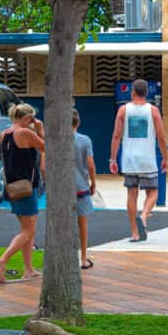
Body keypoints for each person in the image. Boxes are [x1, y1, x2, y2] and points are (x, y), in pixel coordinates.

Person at [0, 103, 44, 282]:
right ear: (27, 118)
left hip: (13, 187)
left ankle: (29, 269)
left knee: (28, 229)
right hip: (26, 186)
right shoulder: (25, 133)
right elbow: (46, 147)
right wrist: (40, 129)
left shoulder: (3, 134)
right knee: (28, 231)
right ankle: (2, 260)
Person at [110, 79, 167, 242]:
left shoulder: (123, 110)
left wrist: (113, 159)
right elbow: (162, 137)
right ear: (146, 93)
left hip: (129, 159)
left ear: (132, 92)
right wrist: (165, 157)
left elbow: (116, 136)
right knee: (153, 191)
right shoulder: (153, 111)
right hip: (147, 159)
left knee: (131, 194)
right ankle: (143, 216)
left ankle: (135, 233)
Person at [72, 108, 97, 269]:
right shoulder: (84, 140)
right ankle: (83, 258)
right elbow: (90, 165)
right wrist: (93, 182)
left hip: (62, 188)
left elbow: (45, 167)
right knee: (82, 223)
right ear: (78, 122)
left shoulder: (56, 140)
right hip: (80, 186)